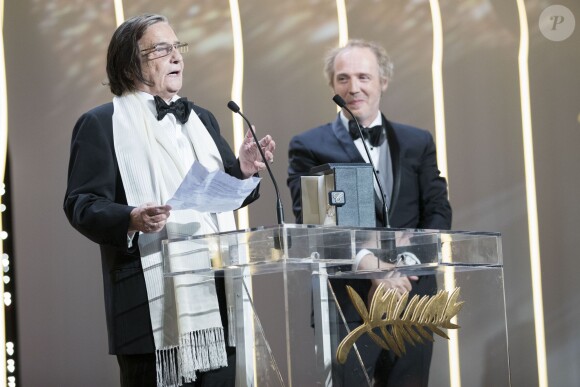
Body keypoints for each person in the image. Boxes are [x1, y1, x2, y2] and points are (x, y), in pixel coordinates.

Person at [63, 14, 275, 387]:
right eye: (162, 49)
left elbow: (220, 195)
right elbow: (81, 204)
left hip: (216, 297)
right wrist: (131, 217)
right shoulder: (101, 123)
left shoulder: (203, 119)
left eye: (178, 47)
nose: (177, 57)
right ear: (131, 63)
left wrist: (244, 169)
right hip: (149, 309)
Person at [287, 39, 452, 386]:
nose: (354, 87)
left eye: (364, 77)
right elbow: (314, 221)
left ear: (383, 82)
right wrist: (368, 265)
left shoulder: (417, 141)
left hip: (413, 296)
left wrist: (406, 265)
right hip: (348, 302)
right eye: (343, 78)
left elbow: (437, 209)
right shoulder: (309, 146)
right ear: (332, 85)